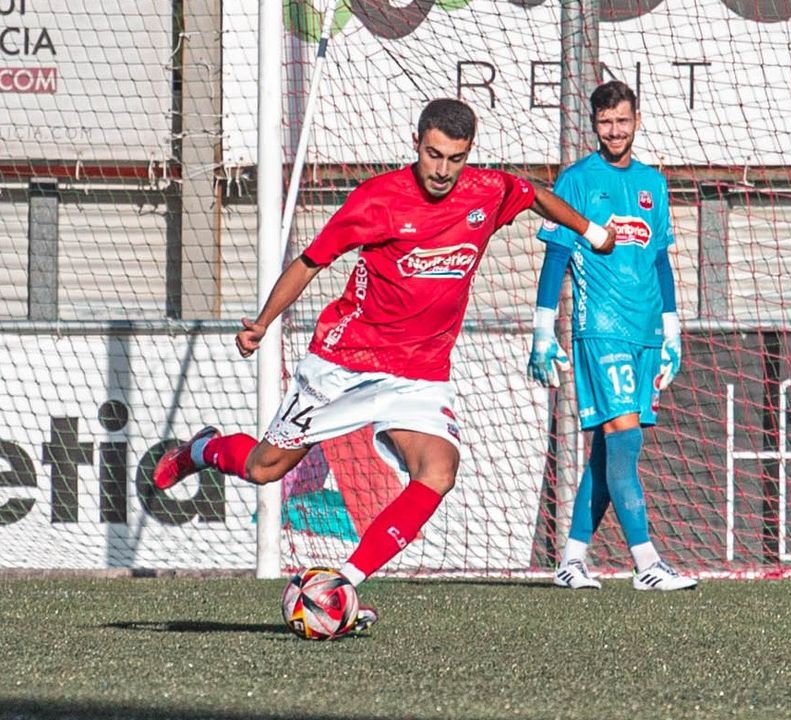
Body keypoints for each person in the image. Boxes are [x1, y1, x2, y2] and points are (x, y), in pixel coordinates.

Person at [153, 98, 616, 630]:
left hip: (419, 371)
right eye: (433, 154)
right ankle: (202, 448)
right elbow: (310, 262)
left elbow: (533, 195)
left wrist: (591, 231)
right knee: (264, 468)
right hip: (344, 361)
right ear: (416, 143)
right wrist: (263, 322)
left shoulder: (486, 192)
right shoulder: (377, 201)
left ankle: (341, 584)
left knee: (439, 471)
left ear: (469, 155)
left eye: (455, 158)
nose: (442, 170)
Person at [527, 81, 697, 591]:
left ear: (636, 121)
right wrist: (542, 328)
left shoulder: (653, 183)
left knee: (609, 451)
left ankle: (572, 559)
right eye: (605, 122)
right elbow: (556, 256)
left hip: (646, 330)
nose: (615, 130)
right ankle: (646, 564)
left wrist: (672, 330)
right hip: (599, 330)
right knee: (625, 438)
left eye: (622, 121)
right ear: (594, 125)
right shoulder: (577, 180)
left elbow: (660, 259)